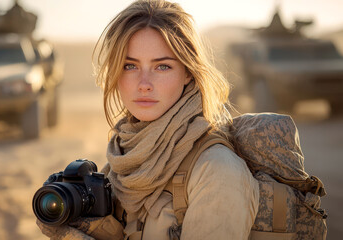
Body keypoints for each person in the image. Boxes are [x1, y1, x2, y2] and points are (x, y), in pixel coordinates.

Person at [37, 0, 259, 239]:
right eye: (130, 66)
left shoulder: (216, 170)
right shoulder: (124, 159)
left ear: (187, 72)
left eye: (162, 67)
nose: (144, 84)